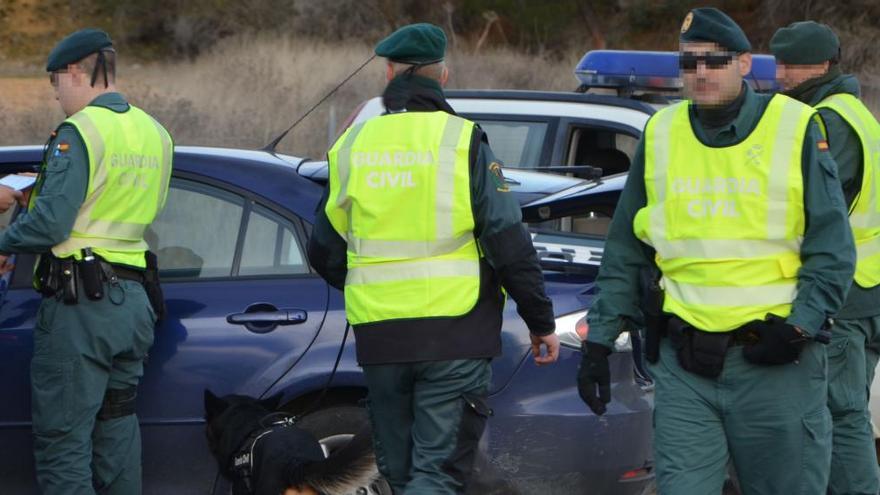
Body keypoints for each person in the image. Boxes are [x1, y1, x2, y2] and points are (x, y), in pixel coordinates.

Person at [576, 8, 855, 494]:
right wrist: (600, 341)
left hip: (775, 364)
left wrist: (800, 325)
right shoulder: (662, 133)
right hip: (687, 368)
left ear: (745, 63)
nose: (701, 73)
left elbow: (832, 247)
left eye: (715, 61)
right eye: (690, 63)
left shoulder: (796, 127)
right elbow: (626, 247)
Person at [308, 23, 559, 494]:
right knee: (435, 475)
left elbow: (323, 250)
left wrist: (369, 283)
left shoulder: (353, 146)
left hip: (382, 337)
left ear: (388, 73)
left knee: (401, 475)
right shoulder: (462, 141)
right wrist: (540, 320)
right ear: (442, 76)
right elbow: (508, 240)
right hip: (453, 335)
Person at [0, 28, 172, 494]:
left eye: (55, 82)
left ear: (76, 72)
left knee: (63, 441)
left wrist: (4, 241)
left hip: (81, 309)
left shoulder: (79, 133)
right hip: (134, 304)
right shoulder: (155, 133)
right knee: (117, 429)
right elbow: (114, 205)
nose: (55, 95)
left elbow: (50, 227)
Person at [771, 21, 880, 495]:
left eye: (791, 66)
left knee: (840, 412)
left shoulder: (827, 122)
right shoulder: (855, 113)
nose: (781, 76)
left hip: (845, 295)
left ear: (822, 65)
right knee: (845, 409)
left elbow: (804, 210)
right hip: (867, 289)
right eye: (779, 64)